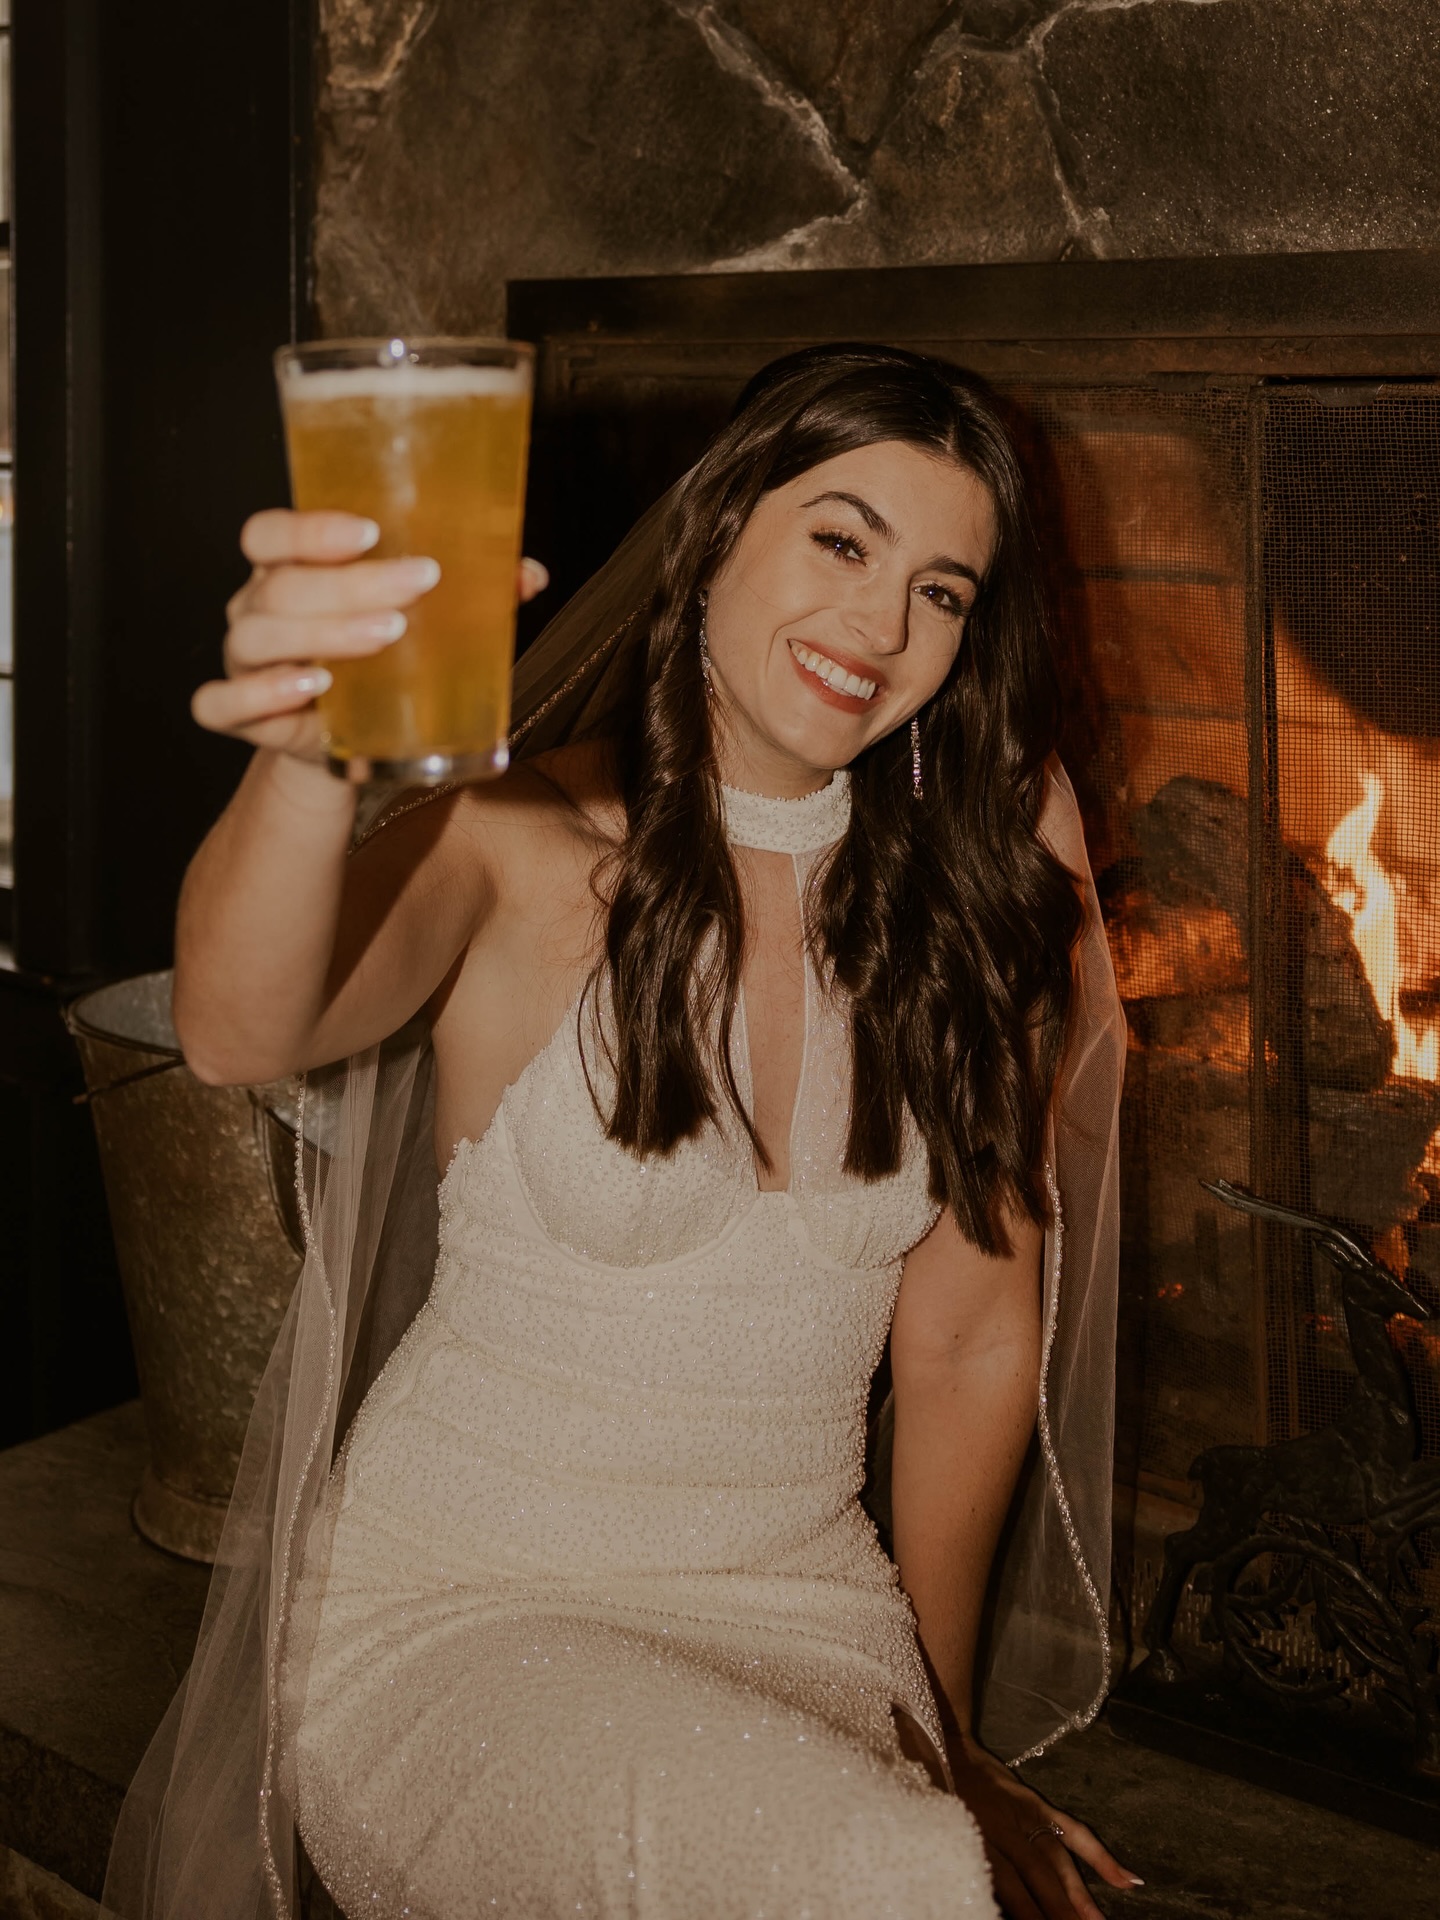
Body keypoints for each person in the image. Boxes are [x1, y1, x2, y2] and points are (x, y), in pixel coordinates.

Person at [118, 345, 1132, 1919]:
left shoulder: (977, 889)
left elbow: (967, 1340)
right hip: (463, 1613)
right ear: (720, 526)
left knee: (912, 1853)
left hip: (801, 1606)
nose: (880, 625)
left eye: (942, 590)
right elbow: (237, 1027)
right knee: (884, 1877)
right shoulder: (518, 845)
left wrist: (941, 1729)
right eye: (842, 540)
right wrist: (310, 756)